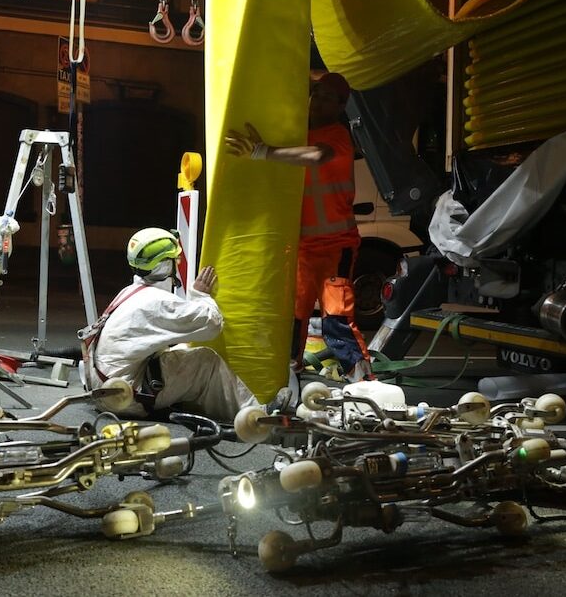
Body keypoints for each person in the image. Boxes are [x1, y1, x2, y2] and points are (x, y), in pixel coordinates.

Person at [225, 72, 373, 382]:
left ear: (340, 106)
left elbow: (316, 156)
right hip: (303, 248)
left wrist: (263, 151)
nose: (317, 101)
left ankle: (363, 381)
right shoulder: (297, 133)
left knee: (336, 316)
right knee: (293, 315)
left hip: (336, 246)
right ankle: (288, 373)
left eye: (326, 97)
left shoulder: (337, 136)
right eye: (316, 94)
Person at [82, 228, 290, 422]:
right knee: (206, 361)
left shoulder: (130, 292)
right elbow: (211, 324)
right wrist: (200, 294)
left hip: (105, 389)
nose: (178, 263)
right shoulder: (156, 302)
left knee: (183, 348)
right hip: (125, 398)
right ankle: (257, 416)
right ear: (165, 265)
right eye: (175, 260)